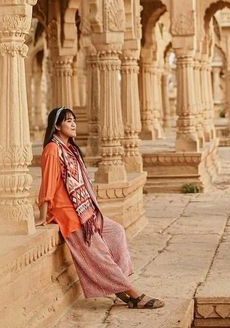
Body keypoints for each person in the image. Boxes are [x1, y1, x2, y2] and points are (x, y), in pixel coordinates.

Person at [37, 106, 164, 310]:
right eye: (68, 120)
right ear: (57, 125)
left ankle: (119, 283)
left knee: (116, 232)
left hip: (84, 210)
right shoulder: (53, 149)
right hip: (68, 214)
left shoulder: (70, 149)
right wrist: (43, 215)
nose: (73, 124)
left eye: (74, 120)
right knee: (98, 252)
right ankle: (133, 293)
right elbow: (48, 184)